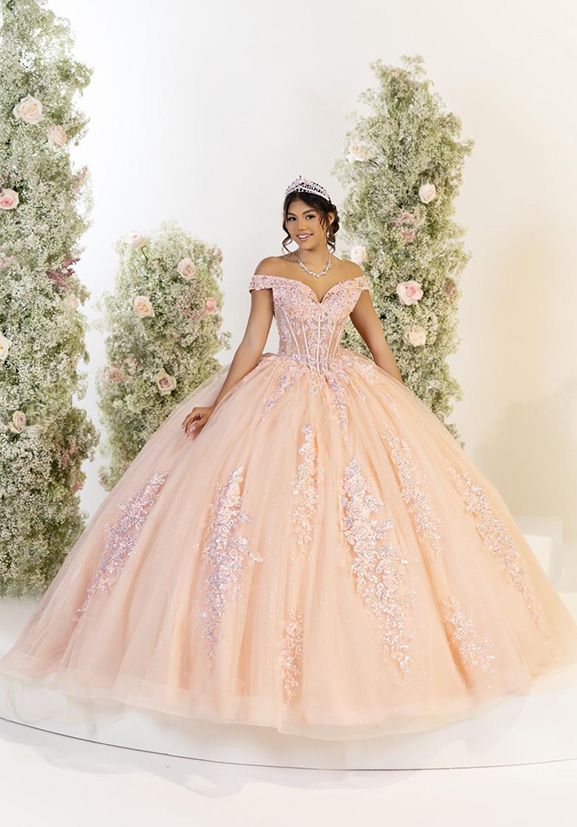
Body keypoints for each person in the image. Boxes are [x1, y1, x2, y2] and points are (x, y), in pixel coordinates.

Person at [1, 175, 576, 742]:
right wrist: (219, 404)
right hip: (281, 391)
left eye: (309, 217)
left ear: (329, 220)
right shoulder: (272, 271)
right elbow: (253, 342)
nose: (299, 227)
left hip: (347, 390)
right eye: (291, 218)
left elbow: (376, 344)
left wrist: (406, 412)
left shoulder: (351, 276)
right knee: (266, 510)